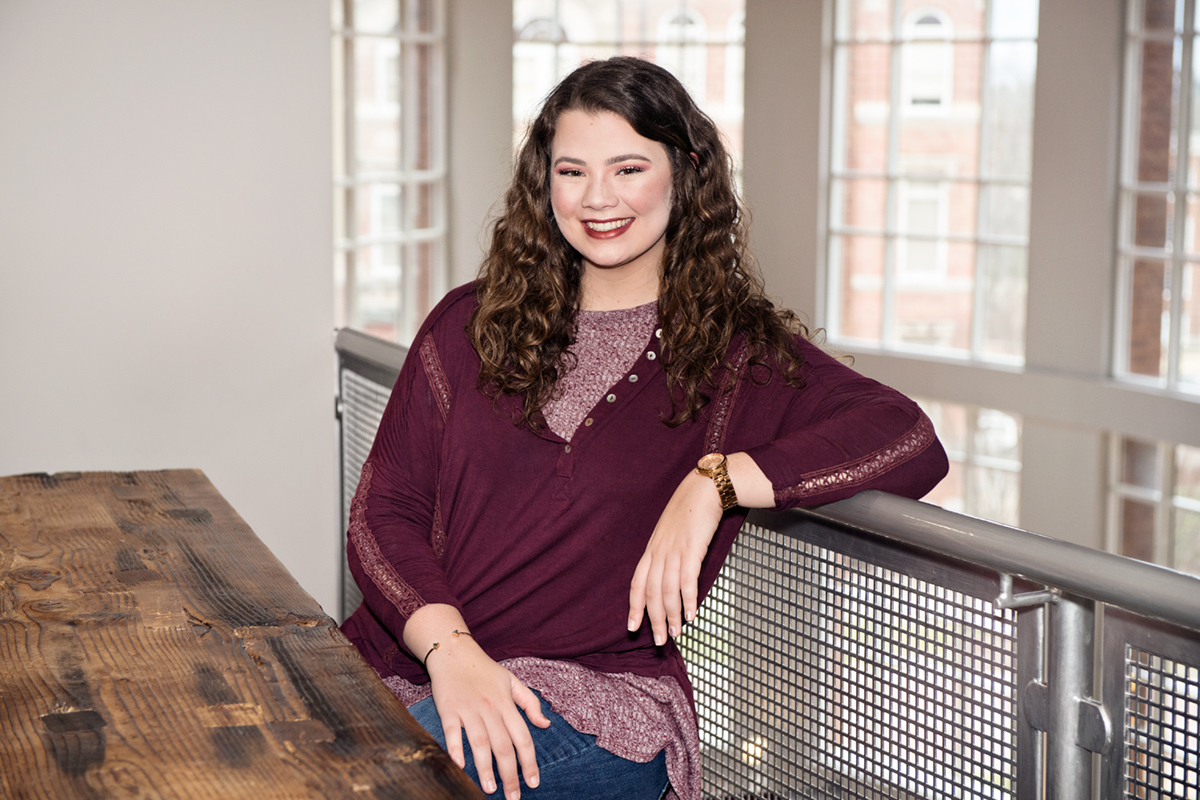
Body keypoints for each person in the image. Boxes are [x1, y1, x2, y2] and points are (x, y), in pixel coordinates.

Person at [340, 56, 948, 800]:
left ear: (684, 174)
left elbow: (906, 435)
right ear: (545, 181)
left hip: (592, 702)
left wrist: (715, 482)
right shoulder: (469, 322)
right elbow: (384, 510)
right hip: (414, 662)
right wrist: (452, 652)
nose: (598, 199)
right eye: (573, 172)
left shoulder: (736, 357)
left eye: (628, 168)